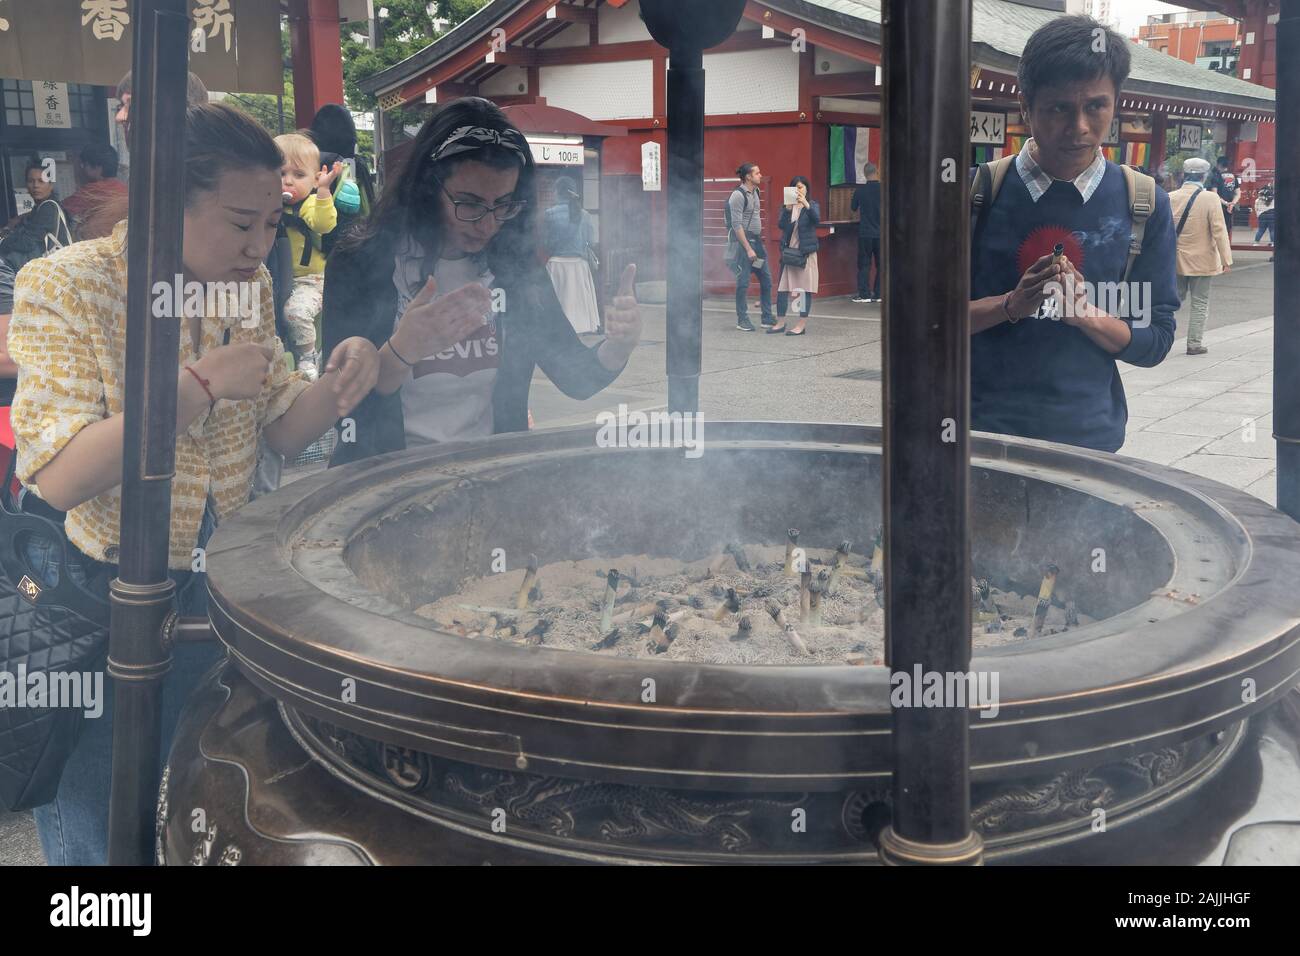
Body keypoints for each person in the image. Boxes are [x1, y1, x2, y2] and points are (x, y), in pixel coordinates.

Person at [6, 102, 380, 865]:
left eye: (273, 224)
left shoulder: (246, 291)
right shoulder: (68, 284)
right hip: (97, 600)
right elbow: (60, 473)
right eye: (241, 223)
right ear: (164, 203)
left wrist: (360, 373)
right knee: (103, 828)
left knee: (199, 798)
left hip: (218, 593)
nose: (259, 246)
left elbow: (281, 426)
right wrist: (199, 383)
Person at [322, 96, 641, 465]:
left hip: (487, 477)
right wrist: (400, 351)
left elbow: (576, 377)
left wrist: (619, 345)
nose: (488, 224)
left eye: (503, 204)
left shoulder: (515, 270)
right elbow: (338, 406)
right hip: (383, 481)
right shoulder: (361, 263)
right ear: (427, 187)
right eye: (469, 204)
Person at [967, 14, 1178, 453]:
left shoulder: (1142, 205)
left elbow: (1153, 341)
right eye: (1059, 107)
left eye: (1096, 106)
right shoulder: (974, 195)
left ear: (1117, 102)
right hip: (978, 436)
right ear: (1025, 106)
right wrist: (1011, 305)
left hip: (1090, 441)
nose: (1079, 127)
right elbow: (920, 322)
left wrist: (1085, 315)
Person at [275, 131, 343, 380]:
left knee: (295, 313)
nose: (288, 182)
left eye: (298, 175)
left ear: (315, 179)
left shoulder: (309, 204)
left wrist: (324, 191)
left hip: (311, 280)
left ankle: (308, 357)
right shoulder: (270, 204)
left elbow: (324, 224)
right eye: (281, 173)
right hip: (279, 279)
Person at [1168, 157, 1232, 356]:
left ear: (1184, 175)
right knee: (1200, 302)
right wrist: (1226, 259)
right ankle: (1194, 344)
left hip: (1176, 260)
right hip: (1203, 261)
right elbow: (1219, 230)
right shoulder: (1210, 198)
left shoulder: (1170, 197)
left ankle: (1161, 339)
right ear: (1204, 176)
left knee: (1172, 301)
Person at [543, 175, 600, 334]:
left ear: (557, 192)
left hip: (557, 265)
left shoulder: (550, 213)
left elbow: (546, 242)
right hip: (579, 266)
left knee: (558, 304)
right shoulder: (585, 215)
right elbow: (591, 242)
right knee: (578, 305)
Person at [727, 162, 773, 332]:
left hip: (757, 242)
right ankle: (742, 319)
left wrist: (755, 246)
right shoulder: (738, 196)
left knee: (766, 280)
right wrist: (748, 249)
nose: (760, 175)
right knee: (743, 283)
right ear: (748, 176)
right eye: (757, 173)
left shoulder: (755, 191)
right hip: (743, 245)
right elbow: (737, 226)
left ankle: (767, 317)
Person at [773, 175, 820, 335]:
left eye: (801, 187)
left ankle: (801, 325)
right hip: (789, 253)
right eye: (796, 187)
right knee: (782, 288)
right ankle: (780, 322)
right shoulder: (788, 207)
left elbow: (817, 220)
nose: (799, 190)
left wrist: (806, 204)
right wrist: (787, 210)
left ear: (807, 189)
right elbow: (780, 225)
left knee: (804, 290)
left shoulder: (812, 205)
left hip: (805, 253)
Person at [61, 144, 129, 241]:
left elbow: (59, 210)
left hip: (98, 247)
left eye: (83, 165)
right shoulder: (124, 189)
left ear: (97, 167)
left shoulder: (93, 191)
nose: (81, 169)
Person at [851, 162, 881, 303]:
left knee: (864, 264)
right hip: (882, 234)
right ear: (877, 172)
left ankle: (864, 294)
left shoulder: (860, 191)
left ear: (864, 174)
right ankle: (879, 294)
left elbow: (853, 208)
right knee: (881, 265)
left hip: (866, 233)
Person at [1205, 155, 1240, 238]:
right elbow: (1238, 193)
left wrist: (1226, 203)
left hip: (1218, 208)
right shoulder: (1233, 177)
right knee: (1226, 231)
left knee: (1215, 231)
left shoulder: (1216, 176)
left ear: (1218, 164)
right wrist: (1232, 203)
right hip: (1229, 209)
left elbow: (1214, 194)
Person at [1254, 181, 1275, 248]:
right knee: (1272, 230)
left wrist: (1258, 215)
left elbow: (1256, 209)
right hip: (1272, 215)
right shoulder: (1273, 199)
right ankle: (1272, 243)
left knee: (1261, 230)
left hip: (1262, 215)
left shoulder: (1257, 200)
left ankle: (1256, 243)